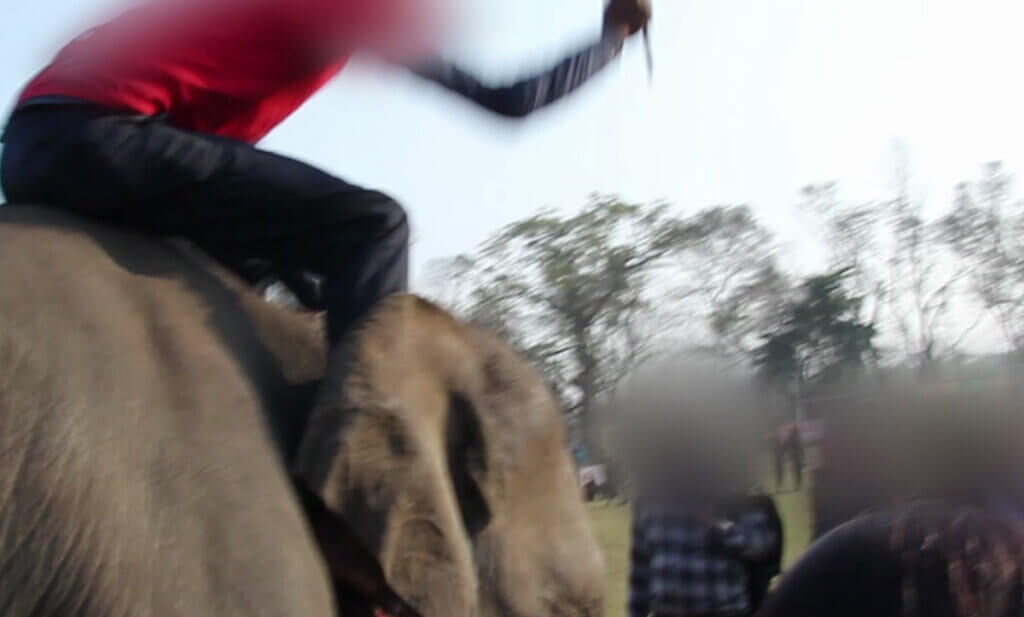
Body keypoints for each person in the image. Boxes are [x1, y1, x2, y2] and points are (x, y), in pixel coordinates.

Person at [0, 0, 651, 345]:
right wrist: (612, 37)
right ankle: (360, 482)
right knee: (375, 227)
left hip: (34, 144)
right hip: (102, 137)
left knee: (290, 274)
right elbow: (508, 101)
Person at [624, 483, 782, 617]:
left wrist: (720, 529)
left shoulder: (736, 484)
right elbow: (641, 568)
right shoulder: (648, 495)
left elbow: (762, 543)